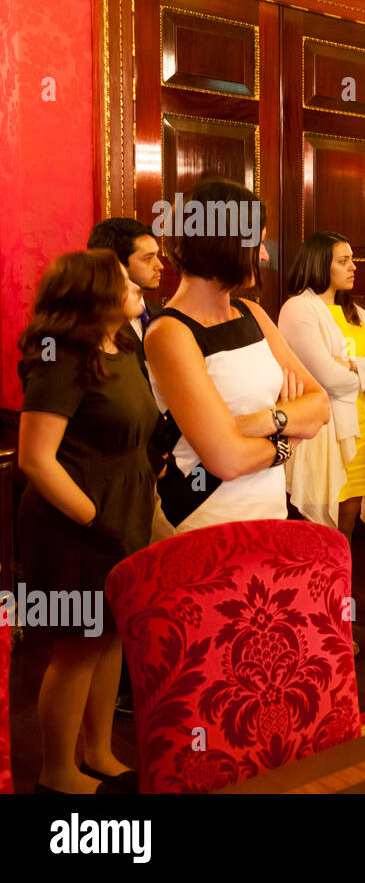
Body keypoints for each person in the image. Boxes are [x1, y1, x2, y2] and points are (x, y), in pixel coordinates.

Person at [16, 250, 156, 793]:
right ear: (93, 292)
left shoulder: (121, 345)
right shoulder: (61, 358)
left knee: (110, 638)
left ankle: (97, 753)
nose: (137, 282)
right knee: (76, 649)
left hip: (124, 517)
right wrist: (94, 517)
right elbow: (35, 459)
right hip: (72, 529)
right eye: (124, 278)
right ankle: (57, 774)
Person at [144, 177, 329, 533]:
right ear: (224, 245)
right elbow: (226, 461)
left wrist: (259, 423)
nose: (264, 254)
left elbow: (319, 405)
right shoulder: (170, 332)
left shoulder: (252, 313)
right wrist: (286, 438)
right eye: (257, 242)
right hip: (205, 519)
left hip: (271, 510)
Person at [87, 217, 169, 719]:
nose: (161, 265)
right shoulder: (73, 344)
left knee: (143, 581)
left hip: (151, 467)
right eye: (147, 257)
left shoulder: (152, 321)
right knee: (98, 611)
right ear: (114, 267)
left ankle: (141, 682)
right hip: (102, 485)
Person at [278, 232, 365, 542]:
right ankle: (315, 588)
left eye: (352, 260)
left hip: (361, 427)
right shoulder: (298, 309)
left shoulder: (356, 312)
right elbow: (327, 378)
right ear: (319, 265)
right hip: (323, 430)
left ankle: (340, 584)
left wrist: (353, 364)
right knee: (317, 528)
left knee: (347, 524)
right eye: (343, 261)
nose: (353, 267)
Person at [87, 217, 164, 372]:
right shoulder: (90, 327)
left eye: (157, 256)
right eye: (148, 258)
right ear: (115, 264)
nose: (160, 266)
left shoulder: (161, 316)